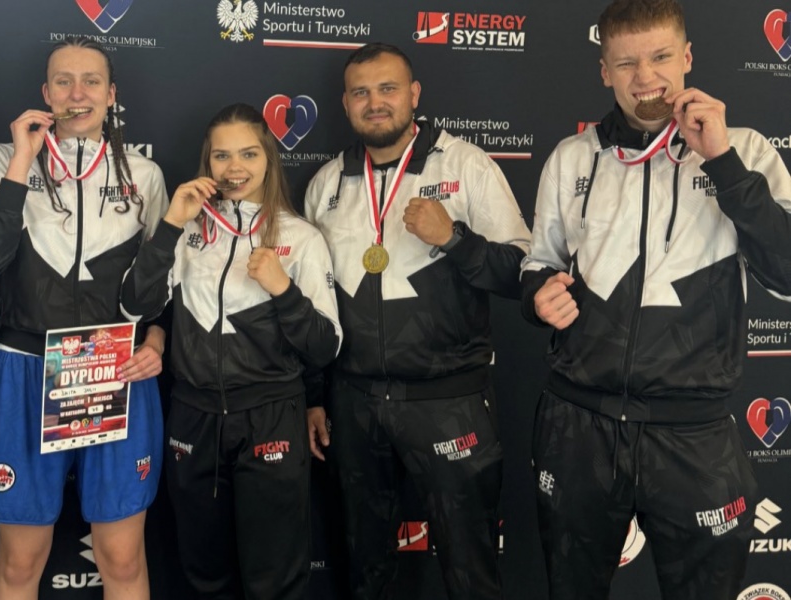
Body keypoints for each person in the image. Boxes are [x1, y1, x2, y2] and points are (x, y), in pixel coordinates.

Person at [521, 1, 791, 598]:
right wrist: (537, 293)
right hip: (579, 427)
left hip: (693, 435)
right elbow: (539, 261)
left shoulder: (745, 150)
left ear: (687, 57)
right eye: (626, 63)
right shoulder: (572, 157)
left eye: (661, 56)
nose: (645, 77)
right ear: (605, 71)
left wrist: (722, 163)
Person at [302, 42, 532, 599]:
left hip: (448, 400)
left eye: (388, 89)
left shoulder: (465, 165)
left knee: (470, 566)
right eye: (361, 92)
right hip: (354, 402)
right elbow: (312, 306)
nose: (374, 102)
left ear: (414, 95)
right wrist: (314, 396)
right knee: (364, 567)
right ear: (346, 103)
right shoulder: (326, 183)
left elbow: (520, 272)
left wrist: (454, 238)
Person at [0, 38, 168, 600]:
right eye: (63, 81)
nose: (78, 94)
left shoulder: (145, 174)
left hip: (112, 367)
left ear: (111, 93)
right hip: (25, 367)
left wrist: (156, 339)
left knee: (122, 559)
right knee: (19, 562)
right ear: (45, 92)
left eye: (91, 81)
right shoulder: (4, 160)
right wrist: (22, 159)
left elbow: (161, 289)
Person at [121, 103, 341, 599]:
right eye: (221, 156)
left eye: (248, 154)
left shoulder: (301, 237)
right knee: (204, 577)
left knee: (274, 580)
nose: (234, 167)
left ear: (269, 159)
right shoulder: (186, 231)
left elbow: (325, 347)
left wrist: (283, 290)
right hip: (193, 417)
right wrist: (171, 222)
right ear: (207, 162)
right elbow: (135, 305)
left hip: (270, 418)